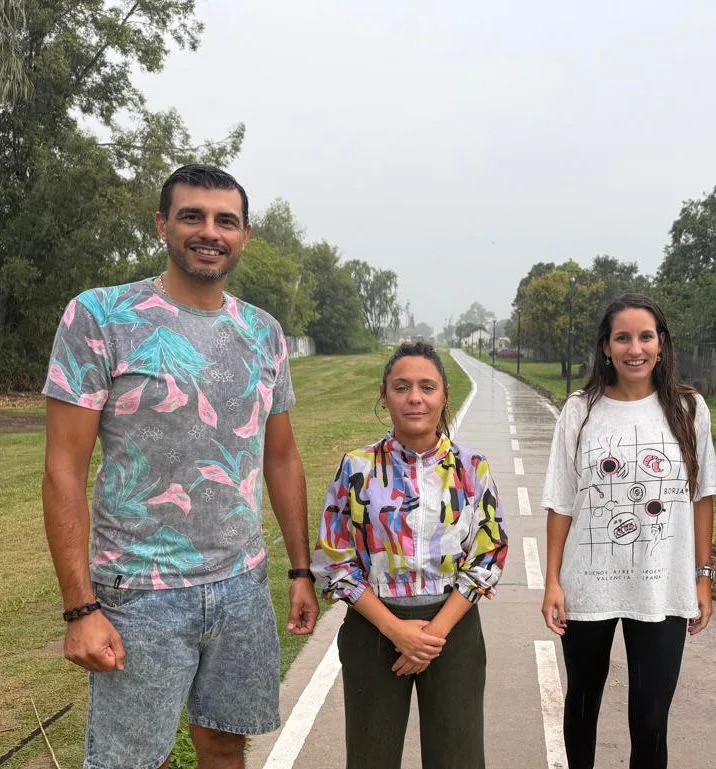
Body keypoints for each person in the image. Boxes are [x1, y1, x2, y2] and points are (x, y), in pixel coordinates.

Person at [41, 164, 319, 769]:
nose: (209, 231)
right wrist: (80, 608)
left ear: (245, 235)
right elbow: (63, 469)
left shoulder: (263, 333)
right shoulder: (102, 317)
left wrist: (301, 570)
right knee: (135, 759)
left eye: (226, 220)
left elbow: (282, 458)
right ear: (163, 224)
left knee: (224, 744)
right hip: (138, 590)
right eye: (192, 216)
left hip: (241, 582)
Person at [540, 293, 716, 769]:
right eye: (623, 337)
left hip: (661, 586)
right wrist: (553, 581)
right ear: (606, 347)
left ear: (661, 344)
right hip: (589, 583)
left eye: (646, 337)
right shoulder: (581, 410)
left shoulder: (688, 408)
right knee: (582, 701)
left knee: (650, 717)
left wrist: (703, 577)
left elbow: (703, 496)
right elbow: (561, 502)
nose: (634, 348)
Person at [312, 342, 507, 769]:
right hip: (373, 629)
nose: (414, 397)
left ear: (444, 394)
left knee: (459, 758)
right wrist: (397, 631)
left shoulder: (472, 467)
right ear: (385, 395)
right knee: (370, 758)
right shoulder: (357, 467)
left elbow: (487, 555)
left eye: (426, 387)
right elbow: (335, 561)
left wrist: (431, 636)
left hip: (453, 631)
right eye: (402, 387)